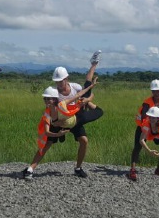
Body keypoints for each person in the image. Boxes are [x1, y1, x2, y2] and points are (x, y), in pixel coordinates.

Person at [22, 50, 104, 179]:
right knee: (46, 144)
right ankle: (30, 168)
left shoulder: (75, 87)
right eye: (57, 81)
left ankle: (78, 168)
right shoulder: (54, 93)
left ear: (67, 79)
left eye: (60, 81)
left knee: (84, 141)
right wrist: (55, 124)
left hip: (73, 118)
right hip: (58, 120)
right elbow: (49, 110)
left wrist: (87, 101)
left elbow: (86, 95)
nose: (58, 84)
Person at [128, 64, 159, 181]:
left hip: (158, 127)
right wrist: (150, 128)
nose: (156, 93)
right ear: (151, 91)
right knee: (137, 147)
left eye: (158, 91)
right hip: (145, 126)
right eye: (154, 91)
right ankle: (132, 170)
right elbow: (144, 118)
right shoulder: (147, 103)